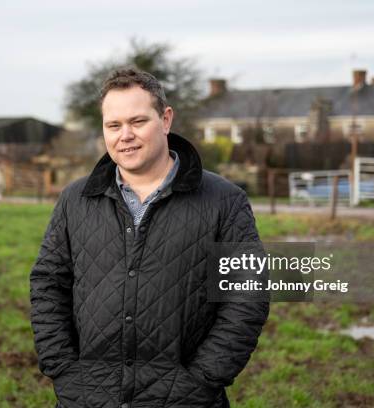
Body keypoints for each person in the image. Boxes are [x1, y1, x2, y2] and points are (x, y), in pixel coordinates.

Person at [30, 67, 269, 408]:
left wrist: (202, 381)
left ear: (166, 119)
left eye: (137, 121)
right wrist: (64, 371)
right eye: (113, 125)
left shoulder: (224, 200)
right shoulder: (75, 199)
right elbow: (47, 285)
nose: (124, 135)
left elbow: (249, 297)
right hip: (88, 399)